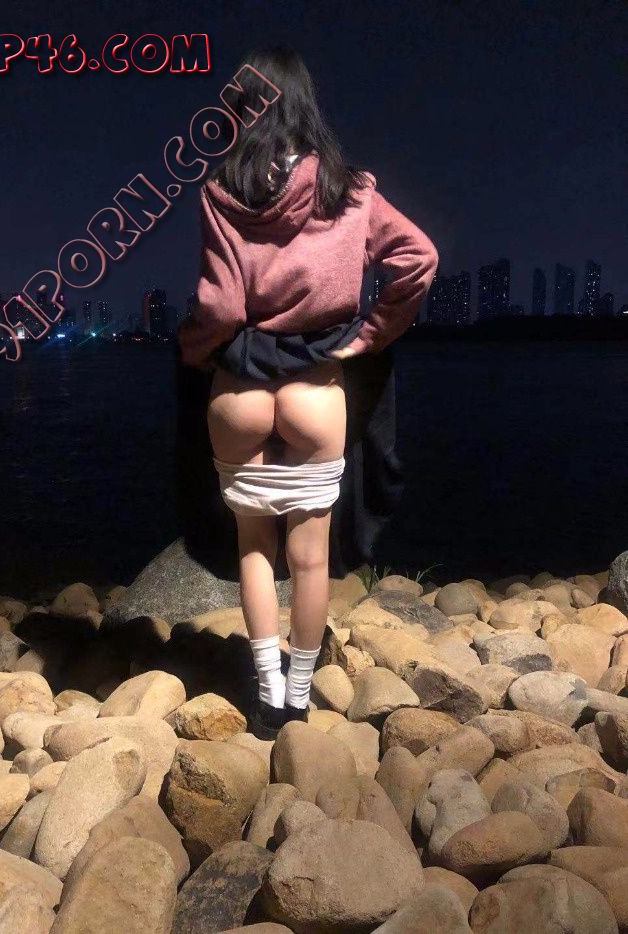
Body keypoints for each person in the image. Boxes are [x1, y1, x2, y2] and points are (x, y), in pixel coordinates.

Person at [178, 47, 438, 738]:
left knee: (254, 549)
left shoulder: (222, 191)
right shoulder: (347, 190)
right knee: (311, 556)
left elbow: (221, 307)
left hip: (240, 391)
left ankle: (265, 697)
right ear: (304, 103)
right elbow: (419, 257)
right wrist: (370, 334)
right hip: (315, 389)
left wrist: (193, 350)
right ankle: (298, 697)